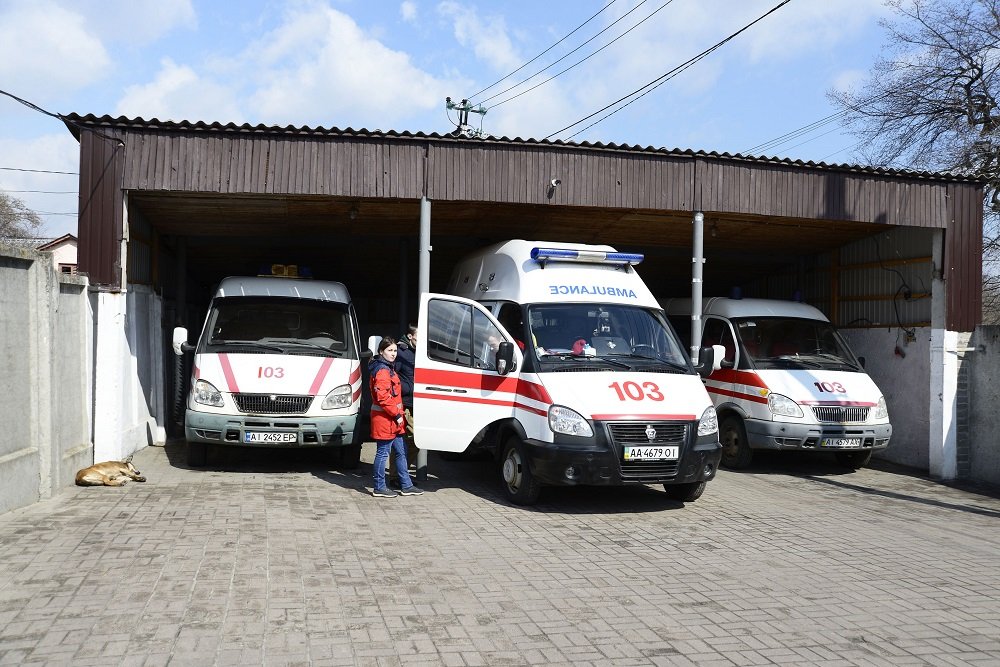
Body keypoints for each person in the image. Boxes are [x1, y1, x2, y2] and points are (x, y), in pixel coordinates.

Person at [368, 336, 423, 498]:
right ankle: (379, 486)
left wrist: (397, 415)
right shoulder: (382, 370)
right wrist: (397, 415)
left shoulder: (387, 368)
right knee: (383, 452)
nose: (393, 354)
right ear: (381, 351)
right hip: (386, 419)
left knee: (401, 451)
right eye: (389, 351)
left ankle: (406, 485)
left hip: (393, 418)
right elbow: (383, 397)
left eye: (394, 351)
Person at [389, 324, 419, 489]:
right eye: (418, 335)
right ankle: (396, 476)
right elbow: (393, 376)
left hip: (418, 403)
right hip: (406, 403)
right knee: (405, 441)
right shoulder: (401, 353)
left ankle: (402, 475)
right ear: (410, 336)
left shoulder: (420, 352)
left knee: (416, 441)